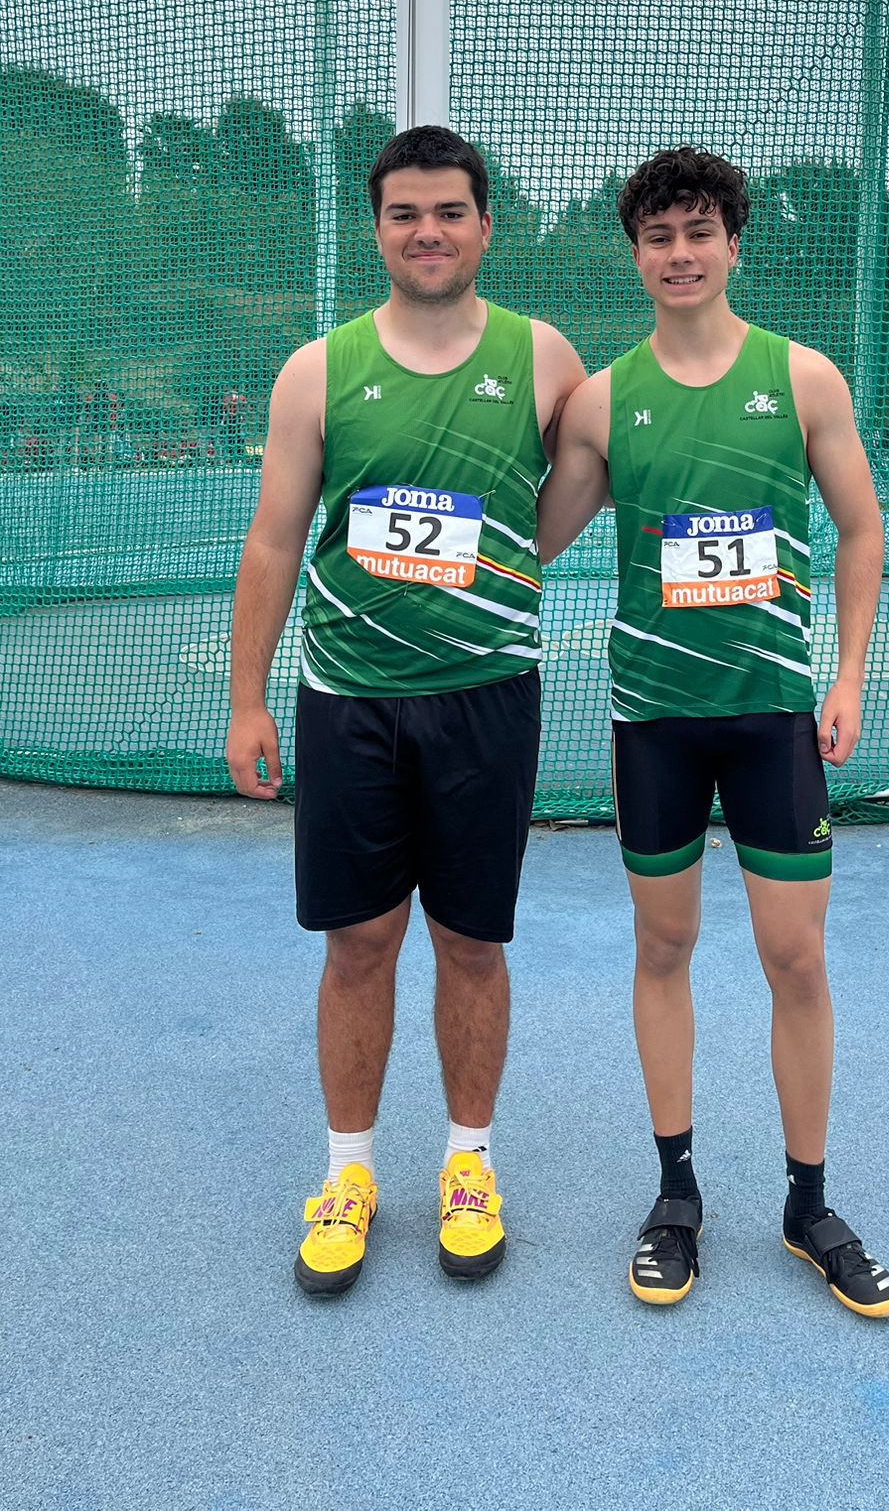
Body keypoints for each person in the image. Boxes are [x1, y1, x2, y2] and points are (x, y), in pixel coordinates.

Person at [536, 147, 889, 1318]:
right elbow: (530, 537)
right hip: (654, 721)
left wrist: (847, 676)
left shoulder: (802, 379)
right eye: (659, 235)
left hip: (772, 718)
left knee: (797, 956)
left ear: (733, 244)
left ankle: (809, 1205)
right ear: (636, 254)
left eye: (699, 231)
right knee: (664, 948)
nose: (680, 253)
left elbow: (860, 527)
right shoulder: (604, 400)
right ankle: (676, 1195)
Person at [225, 125, 584, 1296]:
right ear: (378, 228)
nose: (427, 231)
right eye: (404, 213)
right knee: (359, 942)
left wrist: (507, 564)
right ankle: (348, 1174)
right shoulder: (317, 370)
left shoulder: (544, 360)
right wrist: (246, 699)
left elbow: (585, 483)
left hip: (486, 700)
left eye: (448, 211)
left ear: (485, 224)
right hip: (351, 705)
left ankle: (469, 1163)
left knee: (471, 942)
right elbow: (275, 539)